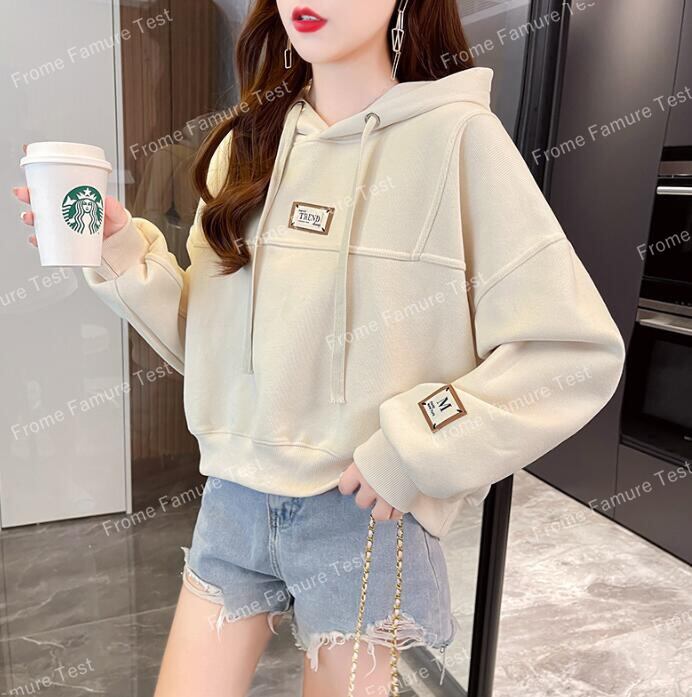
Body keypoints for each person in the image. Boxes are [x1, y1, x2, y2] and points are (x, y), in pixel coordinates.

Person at [13, 1, 626, 695]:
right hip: (235, 500)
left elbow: (573, 352)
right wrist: (120, 249)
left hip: (362, 517)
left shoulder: (459, 141)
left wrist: (415, 444)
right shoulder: (246, 143)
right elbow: (211, 348)